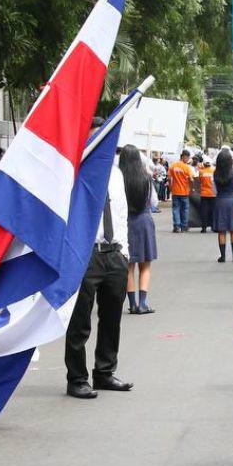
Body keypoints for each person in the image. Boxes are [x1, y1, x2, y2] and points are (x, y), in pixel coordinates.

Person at [64, 129, 132, 399]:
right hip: (86, 254)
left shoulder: (116, 174)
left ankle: (104, 372)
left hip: (114, 254)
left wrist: (125, 251)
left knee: (112, 318)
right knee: (80, 320)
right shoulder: (76, 170)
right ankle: (77, 378)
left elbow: (121, 213)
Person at [119, 145, 156, 315]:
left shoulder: (119, 179)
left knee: (129, 265)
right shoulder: (146, 177)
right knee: (145, 265)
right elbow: (154, 202)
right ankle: (143, 303)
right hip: (144, 221)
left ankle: (132, 304)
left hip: (126, 222)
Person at [212, 147, 233, 262]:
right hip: (232, 200)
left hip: (220, 201)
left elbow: (214, 189)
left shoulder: (215, 173)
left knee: (221, 231)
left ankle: (222, 256)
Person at [168, 150, 195, 233]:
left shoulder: (173, 166)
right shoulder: (187, 167)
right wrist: (192, 188)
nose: (188, 159)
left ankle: (177, 226)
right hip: (184, 192)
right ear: (183, 157)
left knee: (176, 209)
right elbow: (191, 179)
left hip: (175, 191)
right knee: (185, 209)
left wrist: (170, 187)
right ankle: (184, 226)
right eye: (187, 157)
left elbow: (169, 178)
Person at [198, 157, 216, 233]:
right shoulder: (214, 171)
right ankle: (213, 226)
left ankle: (204, 227)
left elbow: (200, 181)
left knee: (204, 211)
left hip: (204, 193)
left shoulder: (201, 172)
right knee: (213, 211)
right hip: (213, 193)